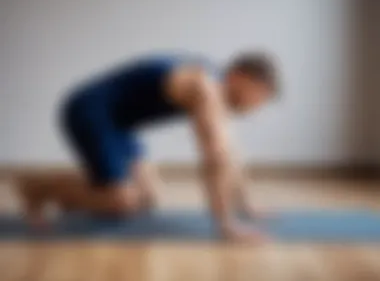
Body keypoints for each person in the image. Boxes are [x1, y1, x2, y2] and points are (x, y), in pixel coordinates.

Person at [18, 51, 279, 242]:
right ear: (239, 77)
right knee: (121, 202)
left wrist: (246, 203)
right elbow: (215, 158)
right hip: (90, 111)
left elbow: (232, 153)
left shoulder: (216, 89)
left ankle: (90, 191)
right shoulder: (204, 87)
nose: (257, 105)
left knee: (148, 199)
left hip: (120, 123)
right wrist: (227, 225)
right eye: (260, 94)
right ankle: (37, 187)